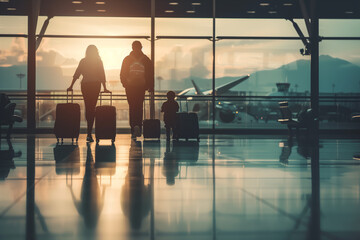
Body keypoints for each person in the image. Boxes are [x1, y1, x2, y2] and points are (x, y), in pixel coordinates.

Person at [67, 45, 111, 142]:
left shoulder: (83, 61)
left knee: (88, 106)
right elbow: (102, 75)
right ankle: (90, 131)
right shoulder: (98, 61)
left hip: (85, 85)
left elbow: (77, 74)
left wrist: (71, 86)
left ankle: (89, 132)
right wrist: (105, 88)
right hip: (95, 85)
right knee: (93, 106)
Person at [120, 41, 154, 139]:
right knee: (139, 107)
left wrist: (125, 84)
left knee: (132, 106)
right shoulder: (146, 60)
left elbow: (122, 73)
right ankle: (139, 127)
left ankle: (133, 128)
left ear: (132, 47)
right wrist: (149, 86)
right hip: (141, 87)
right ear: (141, 47)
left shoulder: (127, 59)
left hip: (130, 87)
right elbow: (150, 74)